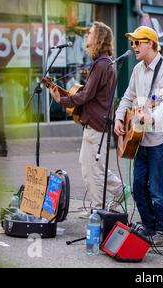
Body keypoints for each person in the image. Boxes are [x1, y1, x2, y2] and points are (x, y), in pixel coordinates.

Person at [49, 21, 124, 211]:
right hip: (96, 124)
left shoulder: (101, 65)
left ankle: (98, 210)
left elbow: (85, 95)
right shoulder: (104, 63)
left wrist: (62, 100)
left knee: (93, 173)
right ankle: (120, 191)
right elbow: (88, 94)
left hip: (96, 126)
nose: (86, 36)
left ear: (98, 38)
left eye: (90, 33)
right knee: (89, 166)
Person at [114, 26, 163, 244]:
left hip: (160, 139)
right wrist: (118, 117)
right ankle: (149, 227)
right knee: (139, 185)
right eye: (132, 43)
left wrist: (153, 117)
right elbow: (127, 96)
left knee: (157, 187)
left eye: (137, 42)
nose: (133, 47)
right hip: (140, 138)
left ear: (150, 43)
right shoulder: (137, 70)